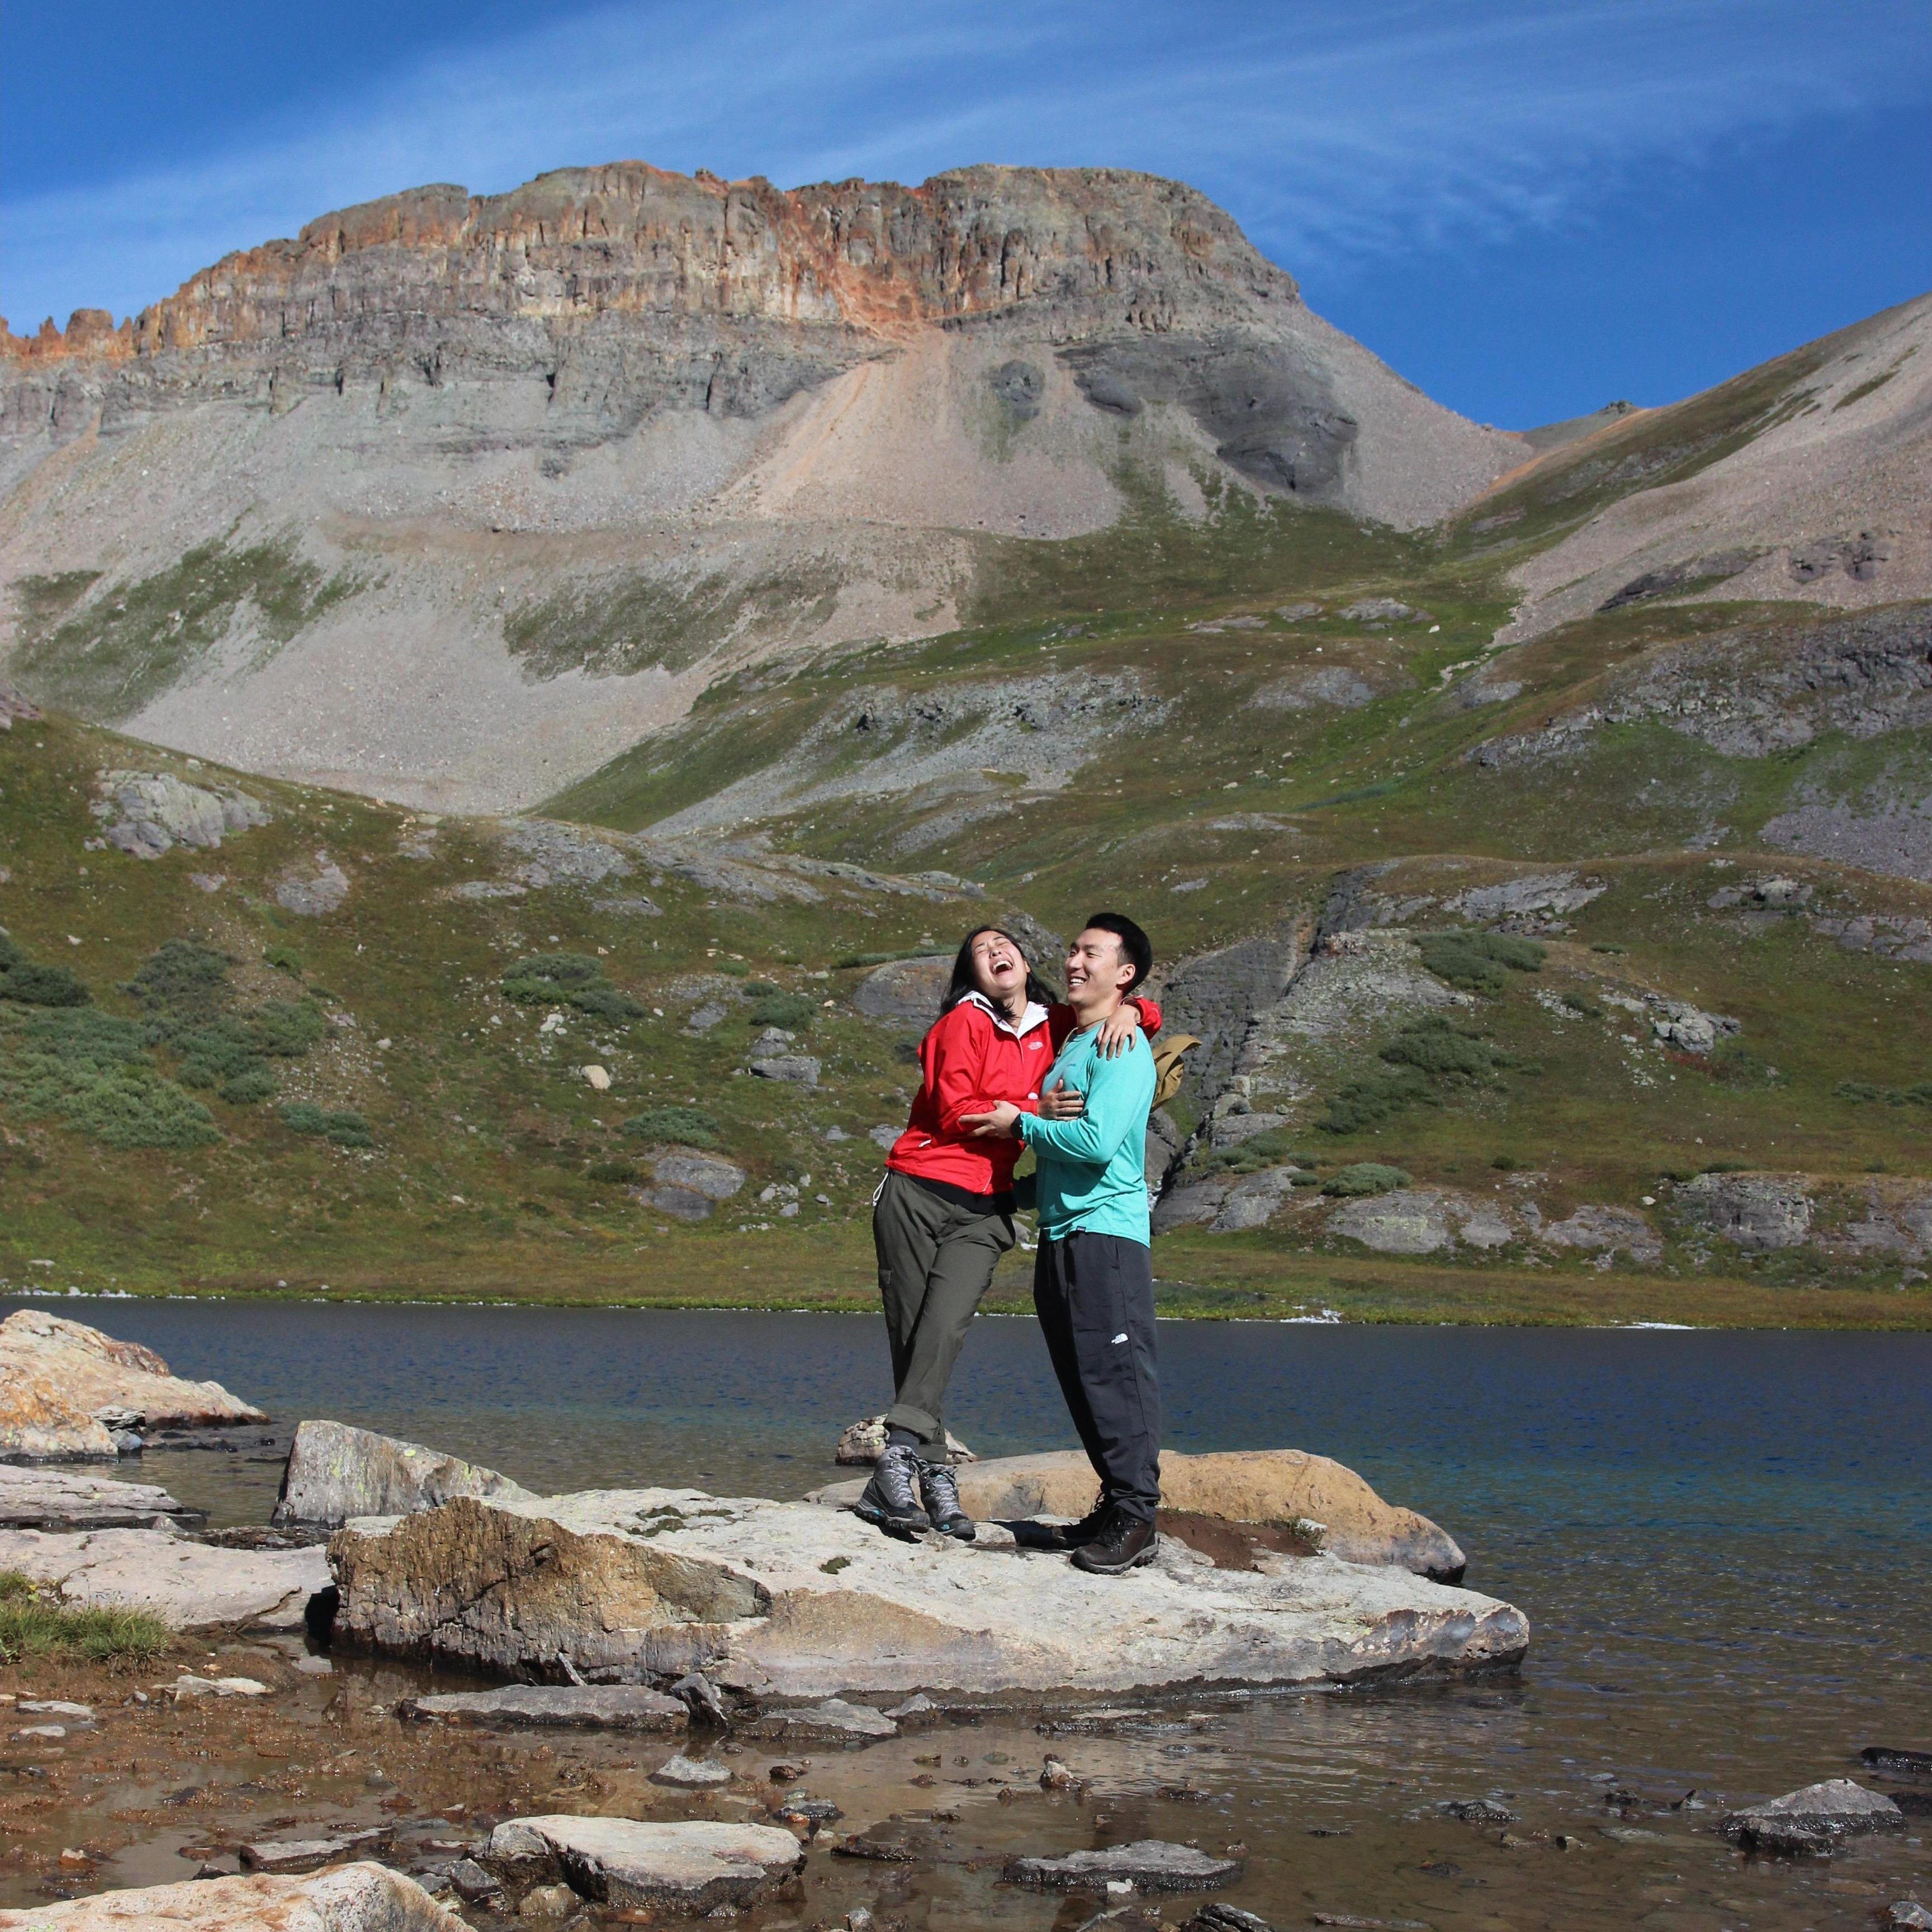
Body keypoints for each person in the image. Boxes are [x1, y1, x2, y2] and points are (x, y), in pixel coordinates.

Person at [856, 925, 1161, 1542]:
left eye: (1005, 944)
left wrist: (1136, 1009)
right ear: (973, 975)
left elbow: (1114, 1017)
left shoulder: (1058, 1026)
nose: (995, 952)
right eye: (978, 951)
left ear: (1025, 961)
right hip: (922, 1187)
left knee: (944, 1330)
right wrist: (1032, 1113)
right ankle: (931, 1475)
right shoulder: (963, 1023)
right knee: (919, 1341)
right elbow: (955, 1111)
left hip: (1002, 1212)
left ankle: (895, 1463)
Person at [961, 913, 1162, 1577]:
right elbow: (1063, 1152)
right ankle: (1114, 1507)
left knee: (1116, 1375)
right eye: (1073, 949)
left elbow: (1099, 1143)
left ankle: (1138, 1517)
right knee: (1082, 1379)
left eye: (1092, 953)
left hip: (1106, 1235)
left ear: (1124, 973)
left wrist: (1018, 1121)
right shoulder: (1078, 1039)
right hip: (1065, 1234)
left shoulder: (1119, 1047)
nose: (1074, 961)